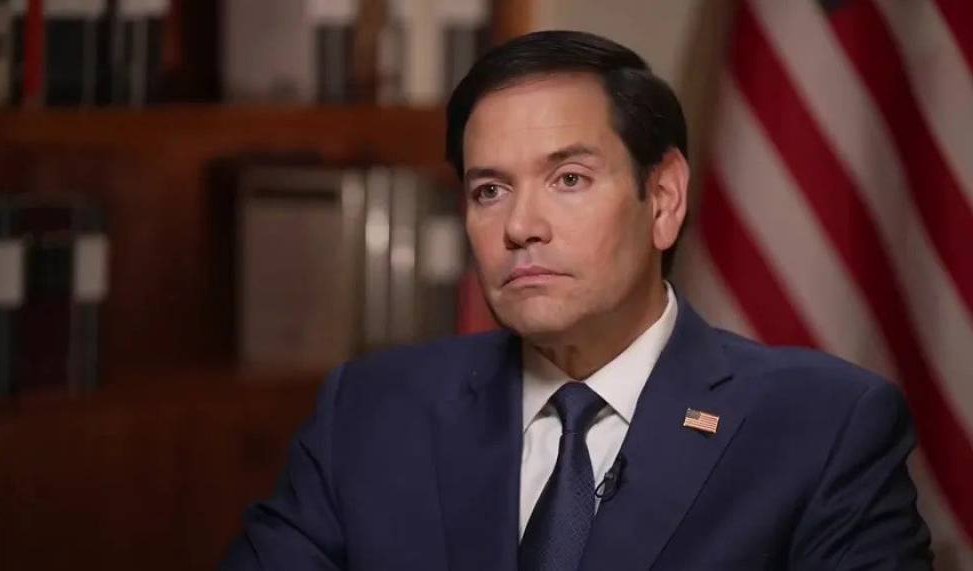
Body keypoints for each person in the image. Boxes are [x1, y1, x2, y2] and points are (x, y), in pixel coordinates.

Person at [222, 30, 932, 570]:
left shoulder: (824, 428)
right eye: (489, 190)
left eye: (568, 179)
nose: (521, 226)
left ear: (663, 198)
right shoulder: (368, 413)